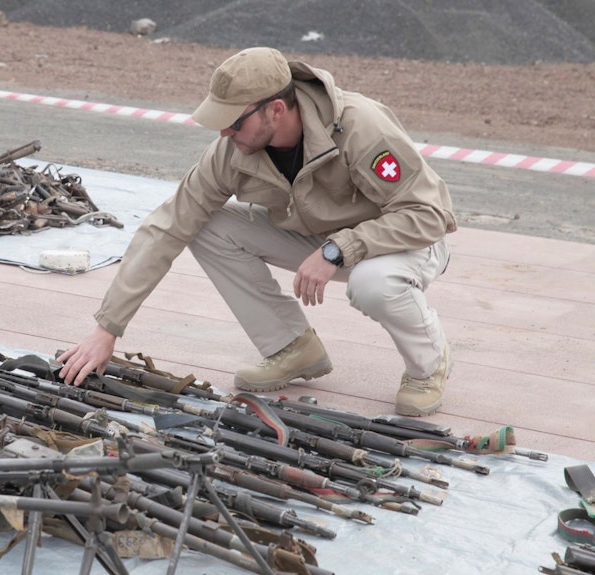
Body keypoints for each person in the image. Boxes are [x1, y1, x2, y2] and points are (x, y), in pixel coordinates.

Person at [57, 47, 457, 417]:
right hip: (323, 240)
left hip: (404, 240)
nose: (223, 135)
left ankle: (429, 364)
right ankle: (290, 346)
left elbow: (430, 213)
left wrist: (339, 249)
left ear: (276, 110)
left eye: (232, 123)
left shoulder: (360, 126)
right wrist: (106, 329)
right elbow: (167, 227)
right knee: (207, 225)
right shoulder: (232, 150)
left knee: (372, 283)